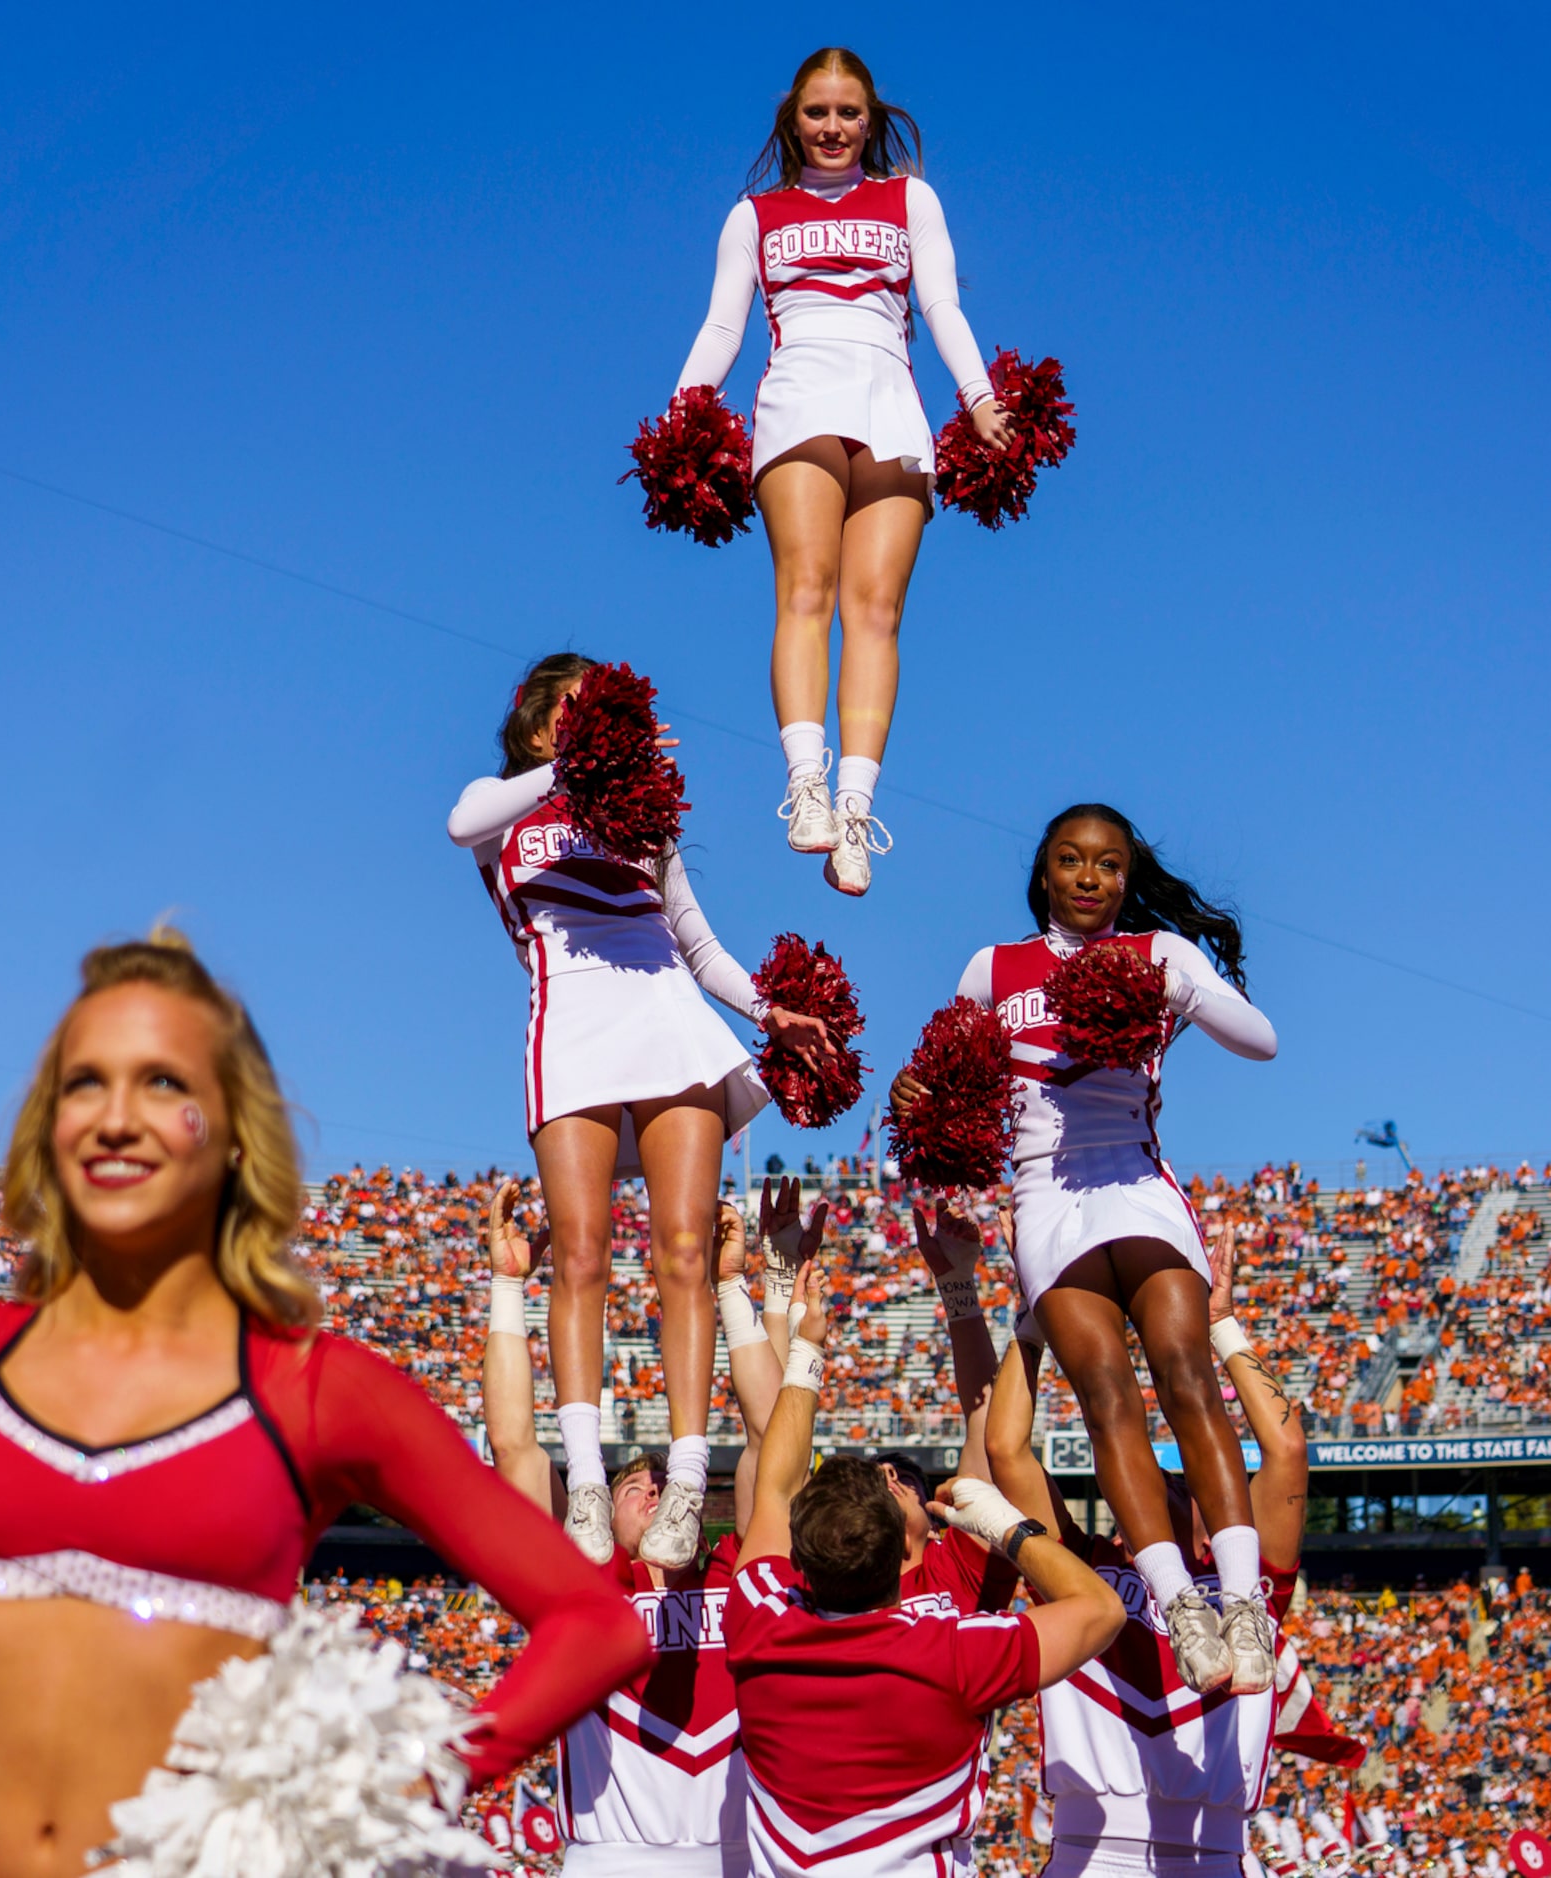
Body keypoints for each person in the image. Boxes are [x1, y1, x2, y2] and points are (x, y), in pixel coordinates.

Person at [0, 928, 648, 1878]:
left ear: (237, 1134)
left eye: (162, 1082)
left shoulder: (320, 1389)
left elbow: (594, 1624)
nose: (115, 1117)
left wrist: (385, 1796)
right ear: (46, 1127)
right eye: (84, 1085)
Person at [451, 656, 834, 1564]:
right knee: (579, 1254)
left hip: (667, 1021)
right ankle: (586, 1479)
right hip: (570, 1027)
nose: (597, 727)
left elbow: (696, 946)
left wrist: (767, 1008)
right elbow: (459, 821)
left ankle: (690, 1478)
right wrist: (577, 768)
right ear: (545, 726)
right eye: (579, 714)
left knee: (686, 1254)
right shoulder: (501, 809)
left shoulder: (644, 819)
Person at [891, 803, 1278, 1696]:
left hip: (1139, 1183)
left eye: (1108, 863)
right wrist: (919, 1091)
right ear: (1045, 873)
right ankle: (1180, 1603)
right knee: (1107, 1401)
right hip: (1044, 1197)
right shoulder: (994, 967)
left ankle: (1244, 1601)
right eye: (1072, 861)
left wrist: (1181, 991)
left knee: (1187, 1376)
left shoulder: (1162, 954)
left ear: (1126, 875)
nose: (1091, 877)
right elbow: (950, 1079)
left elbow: (1261, 1041)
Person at [669, 46, 1016, 896]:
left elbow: (940, 304)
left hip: (890, 397)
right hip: (799, 392)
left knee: (877, 610)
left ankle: (856, 809)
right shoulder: (756, 213)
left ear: (872, 118)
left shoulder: (910, 200)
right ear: (793, 118)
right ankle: (806, 784)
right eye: (817, 112)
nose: (833, 127)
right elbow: (723, 329)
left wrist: (978, 396)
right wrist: (682, 414)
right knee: (808, 588)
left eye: (849, 113)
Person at [725, 1261, 1125, 1875]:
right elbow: (1101, 1608)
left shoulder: (761, 1616)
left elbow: (776, 1487)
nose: (893, 1478)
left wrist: (810, 1345)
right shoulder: (955, 1648)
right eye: (883, 1479)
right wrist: (1005, 1527)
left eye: (903, 1476)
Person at [974, 1213, 1342, 1878]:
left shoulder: (1247, 1579)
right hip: (1089, 1855)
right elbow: (1006, 1449)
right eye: (1149, 1476)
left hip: (1217, 1854)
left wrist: (1221, 1321)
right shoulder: (1082, 1570)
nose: (1165, 1478)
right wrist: (1035, 1313)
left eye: (1182, 1476)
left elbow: (1284, 1449)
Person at [481, 1183, 800, 1876]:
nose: (652, 1490)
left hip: (742, 1856)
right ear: (603, 1514)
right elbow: (516, 1450)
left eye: (661, 1484)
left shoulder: (739, 1572)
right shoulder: (583, 1578)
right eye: (632, 1487)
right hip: (613, 1858)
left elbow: (775, 1437)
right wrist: (509, 1290)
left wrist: (733, 1287)